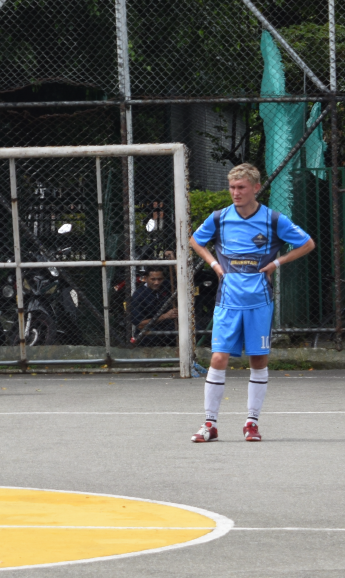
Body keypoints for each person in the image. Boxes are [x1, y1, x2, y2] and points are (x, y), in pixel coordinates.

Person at [188, 163, 315, 443]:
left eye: (241, 187)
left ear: (256, 188)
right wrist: (212, 263)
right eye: (232, 187)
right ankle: (210, 424)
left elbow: (307, 243)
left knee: (258, 359)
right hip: (228, 301)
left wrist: (277, 263)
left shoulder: (273, 220)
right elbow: (195, 240)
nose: (235, 192)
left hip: (259, 301)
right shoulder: (220, 218)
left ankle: (251, 422)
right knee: (218, 358)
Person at [128, 267, 178, 347]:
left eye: (160, 279)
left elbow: (182, 280)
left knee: (195, 328)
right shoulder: (138, 295)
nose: (156, 282)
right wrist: (164, 316)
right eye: (153, 279)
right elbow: (140, 324)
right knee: (151, 335)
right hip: (151, 331)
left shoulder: (167, 286)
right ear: (145, 278)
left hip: (169, 327)